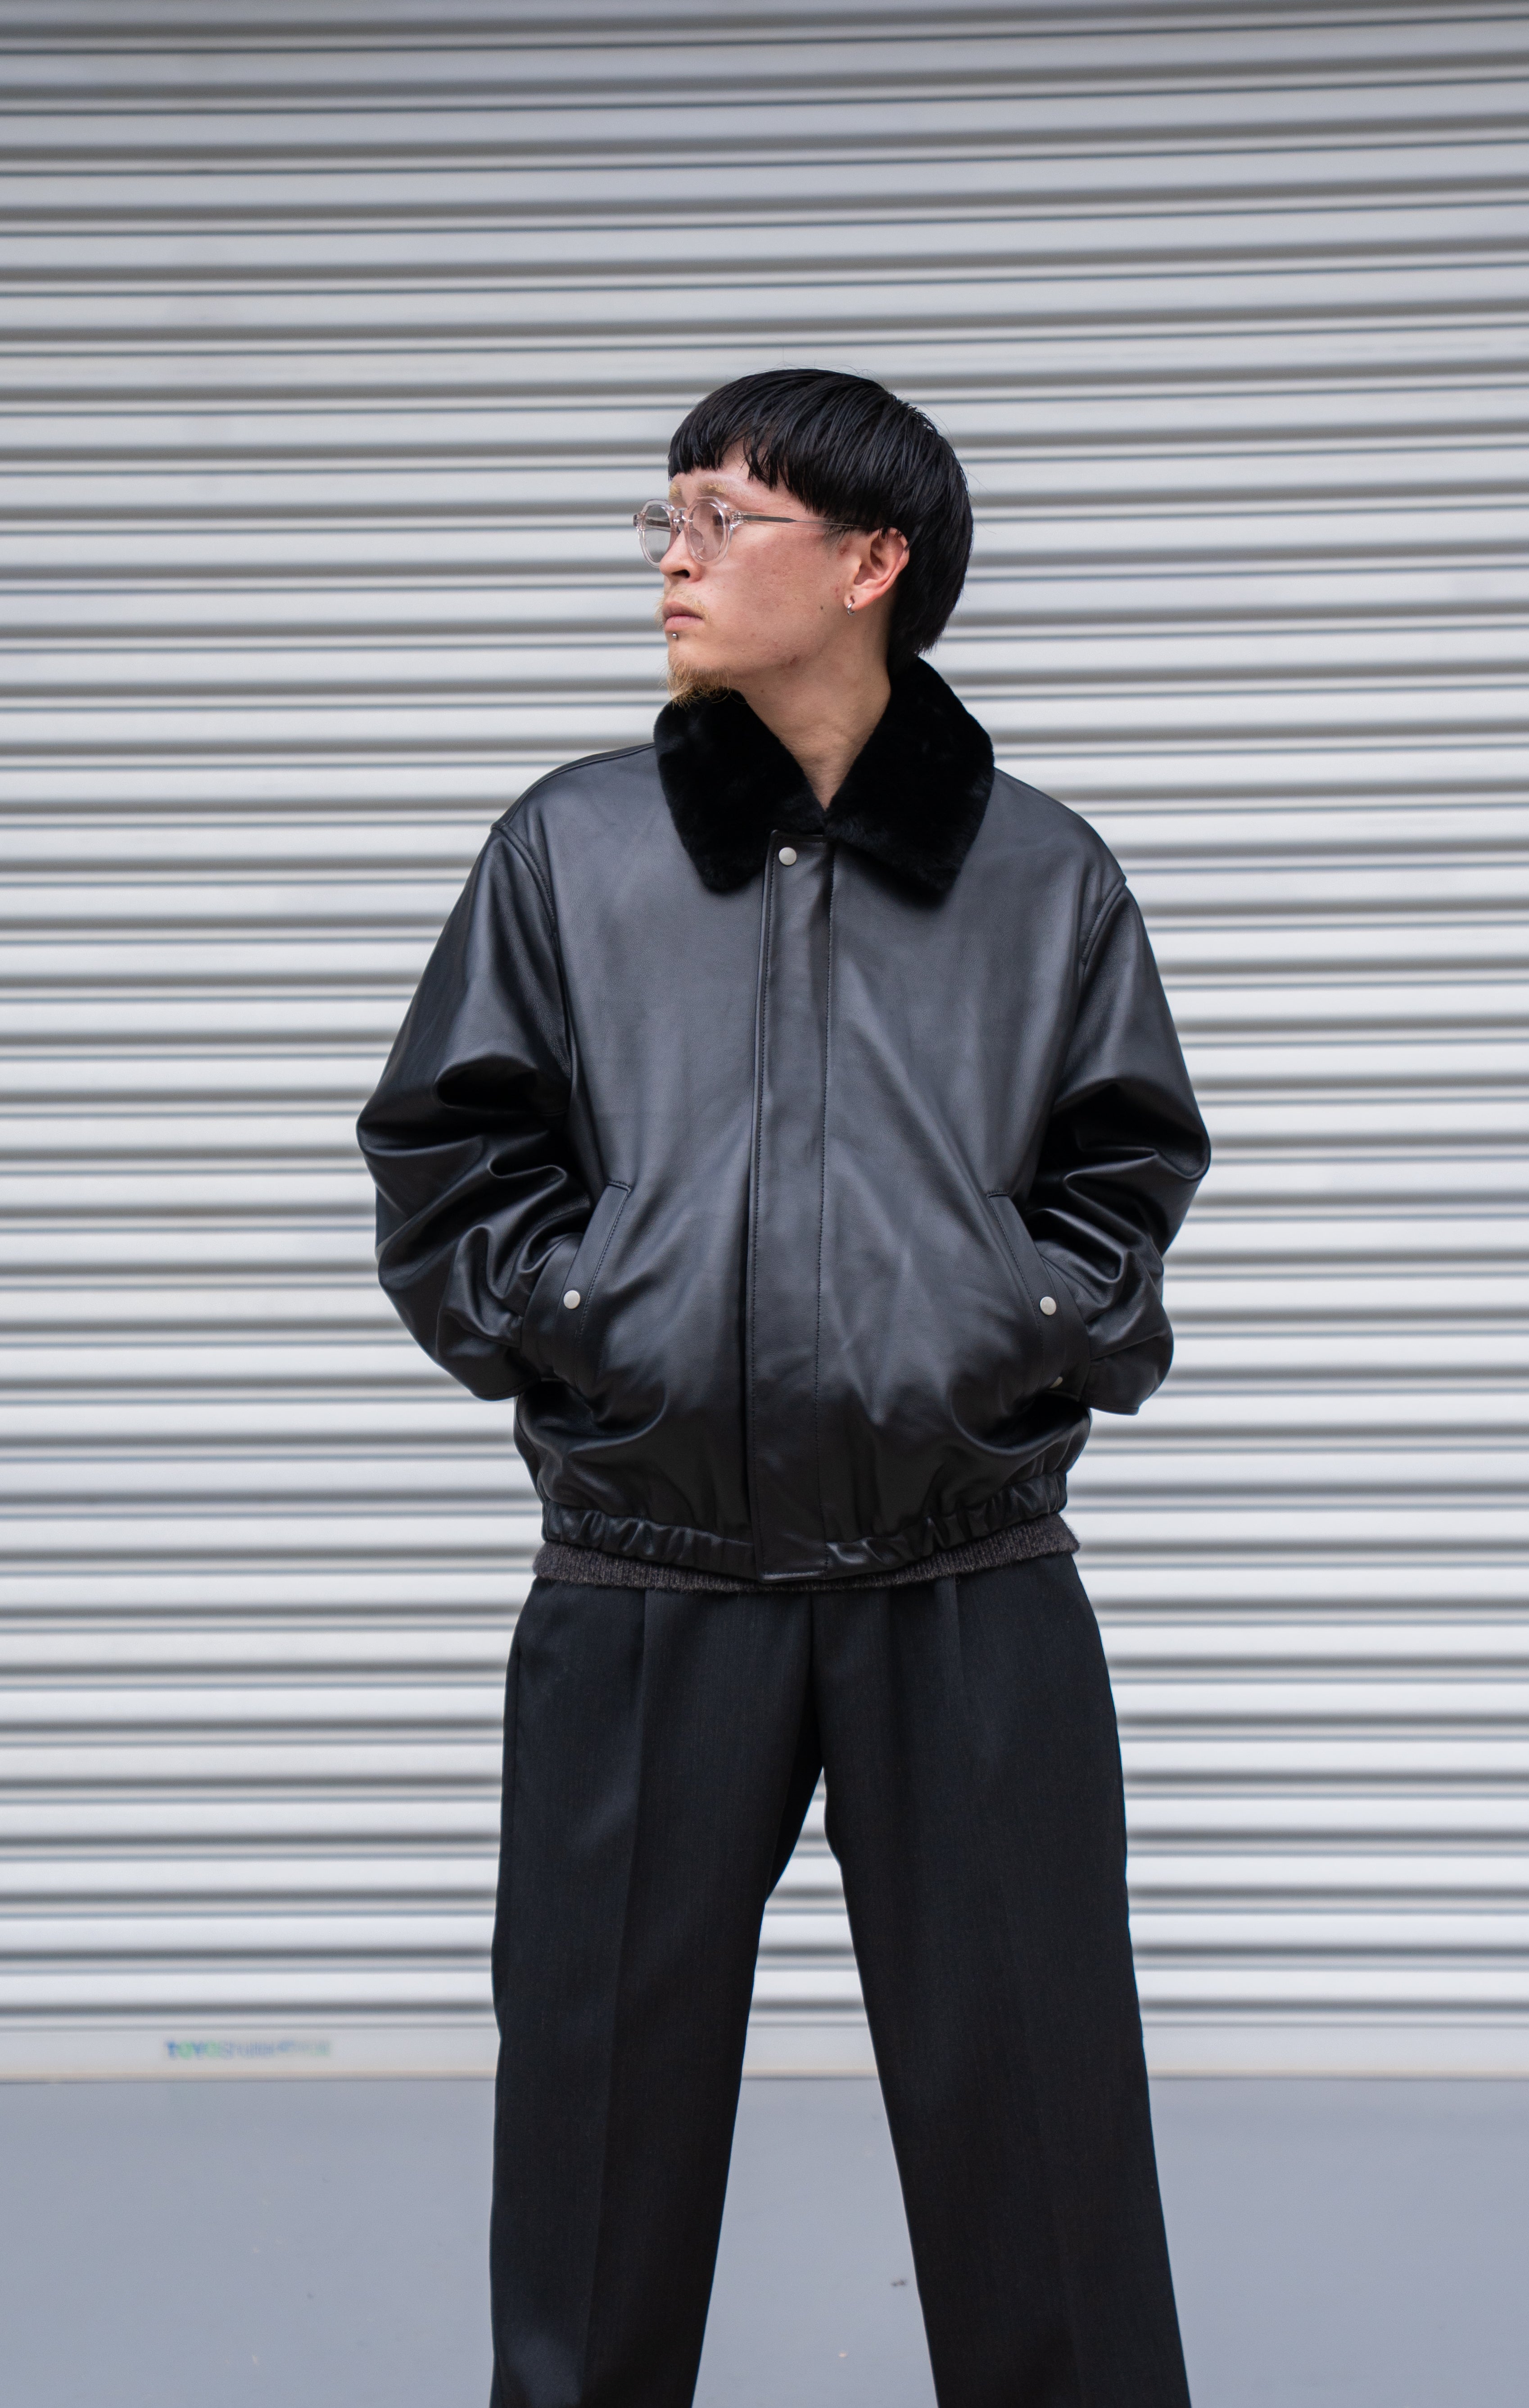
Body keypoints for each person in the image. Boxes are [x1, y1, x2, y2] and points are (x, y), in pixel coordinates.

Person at [357, 367, 1208, 2408]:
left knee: (1045, 2156)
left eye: (718, 518)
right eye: (659, 517)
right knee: (593, 2162)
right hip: (647, 1587)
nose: (670, 558)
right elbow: (447, 1155)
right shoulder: (572, 849)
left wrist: (1003, 1318)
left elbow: (1124, 1175)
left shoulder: (1040, 874)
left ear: (868, 561)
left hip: (969, 1582)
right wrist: (602, 1317)